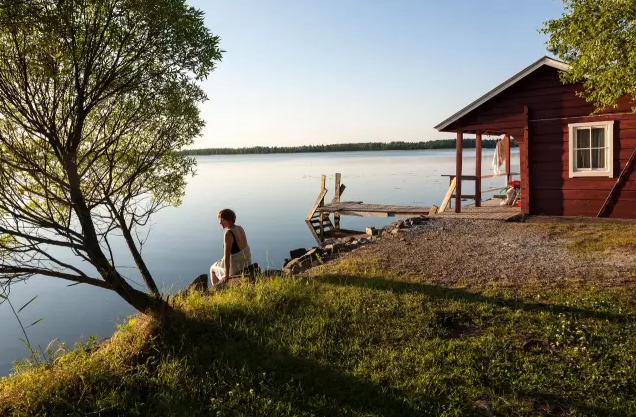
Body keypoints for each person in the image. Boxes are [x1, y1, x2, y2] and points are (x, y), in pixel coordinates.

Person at [209, 209, 252, 287]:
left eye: (222, 220)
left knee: (212, 268)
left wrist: (227, 276)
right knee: (219, 262)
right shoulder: (240, 228)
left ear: (229, 220)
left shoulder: (228, 234)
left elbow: (227, 258)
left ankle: (216, 289)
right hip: (246, 263)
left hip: (236, 267)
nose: (220, 222)